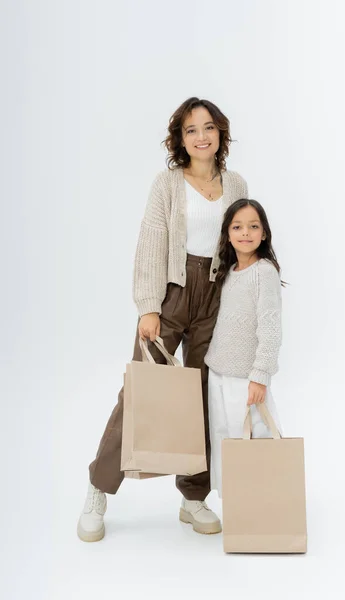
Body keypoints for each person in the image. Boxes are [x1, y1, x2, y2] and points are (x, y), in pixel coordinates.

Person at [77, 97, 248, 541]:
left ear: (220, 133)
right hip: (172, 294)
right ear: (180, 138)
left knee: (205, 394)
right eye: (191, 130)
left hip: (217, 298)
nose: (201, 136)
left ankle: (194, 498)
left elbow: (242, 246)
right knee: (140, 393)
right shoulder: (167, 184)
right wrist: (148, 307)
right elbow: (152, 242)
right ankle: (99, 488)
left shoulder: (236, 183)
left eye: (208, 127)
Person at [204, 199, 284, 497]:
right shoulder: (229, 272)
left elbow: (271, 327)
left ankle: (267, 505)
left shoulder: (264, 272)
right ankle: (238, 512)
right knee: (225, 441)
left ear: (264, 233)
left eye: (253, 226)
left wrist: (260, 375)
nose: (246, 233)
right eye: (237, 227)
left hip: (246, 377)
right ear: (227, 234)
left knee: (257, 441)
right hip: (219, 372)